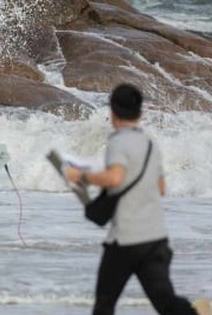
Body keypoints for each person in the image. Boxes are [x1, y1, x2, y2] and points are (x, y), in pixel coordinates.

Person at [65, 84, 198, 315]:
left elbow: (115, 178)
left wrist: (81, 176)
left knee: (104, 305)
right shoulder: (150, 144)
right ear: (140, 113)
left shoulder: (119, 141)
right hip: (156, 239)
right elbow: (161, 188)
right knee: (167, 303)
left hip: (125, 241)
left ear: (113, 112)